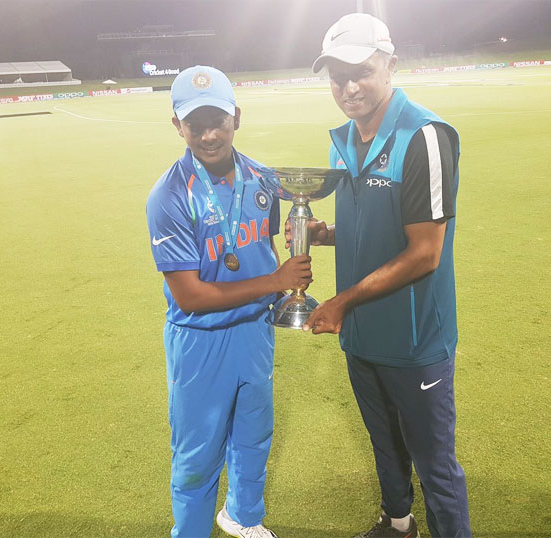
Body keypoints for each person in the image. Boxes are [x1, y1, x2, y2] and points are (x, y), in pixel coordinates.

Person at [295, 13, 472, 538]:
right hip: (362, 334)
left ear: (391, 65)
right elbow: (366, 225)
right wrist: (320, 232)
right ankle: (398, 524)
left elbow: (425, 252)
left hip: (415, 340)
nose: (349, 87)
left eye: (362, 72)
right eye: (336, 76)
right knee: (382, 441)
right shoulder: (342, 140)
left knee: (435, 462)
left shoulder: (425, 136)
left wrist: (343, 301)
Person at [147, 65, 312, 538]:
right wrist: (274, 281)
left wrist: (305, 241)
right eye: (195, 124)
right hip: (201, 343)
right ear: (177, 125)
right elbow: (191, 296)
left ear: (236, 116)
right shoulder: (170, 196)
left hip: (255, 332)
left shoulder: (263, 178)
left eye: (217, 119)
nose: (209, 134)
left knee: (254, 437)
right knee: (198, 456)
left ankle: (242, 517)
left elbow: (270, 242)